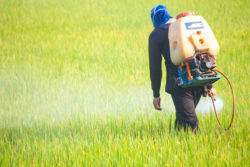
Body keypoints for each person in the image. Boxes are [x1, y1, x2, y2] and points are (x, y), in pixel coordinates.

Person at [148, 5, 216, 132]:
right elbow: (204, 51)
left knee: (190, 123)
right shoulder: (184, 26)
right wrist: (209, 84)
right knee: (183, 121)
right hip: (200, 79)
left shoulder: (156, 34)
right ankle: (178, 145)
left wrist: (156, 94)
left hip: (180, 84)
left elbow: (155, 68)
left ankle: (197, 149)